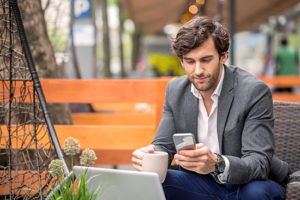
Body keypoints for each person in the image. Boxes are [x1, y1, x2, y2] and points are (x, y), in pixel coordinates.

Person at [132, 16, 290, 200]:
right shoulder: (175, 91)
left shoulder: (254, 91)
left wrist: (217, 164)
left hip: (250, 183)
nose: (198, 70)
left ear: (223, 56)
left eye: (205, 60)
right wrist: (150, 154)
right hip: (200, 183)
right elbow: (164, 145)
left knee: (256, 194)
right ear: (182, 61)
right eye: (190, 61)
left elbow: (259, 162)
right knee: (153, 184)